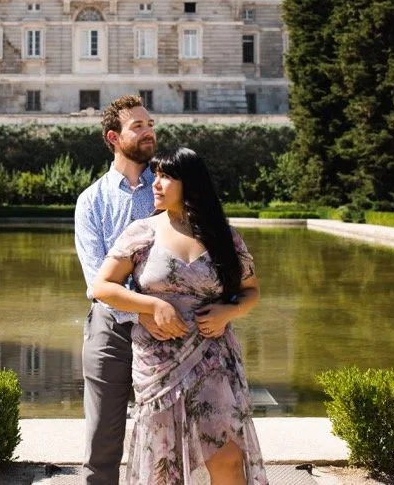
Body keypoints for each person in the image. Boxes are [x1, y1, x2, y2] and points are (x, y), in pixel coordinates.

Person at [92, 147, 267, 485]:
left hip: (213, 359)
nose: (155, 184)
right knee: (164, 466)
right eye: (154, 175)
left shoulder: (223, 237)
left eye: (165, 176)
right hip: (159, 364)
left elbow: (251, 291)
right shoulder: (142, 231)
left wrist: (228, 311)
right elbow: (103, 286)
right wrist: (151, 305)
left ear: (191, 183)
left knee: (228, 458)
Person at [75, 94, 163, 485]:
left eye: (150, 124)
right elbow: (98, 281)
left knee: (166, 435)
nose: (149, 132)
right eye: (138, 126)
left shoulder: (167, 190)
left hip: (165, 327)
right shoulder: (90, 201)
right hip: (111, 329)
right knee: (102, 443)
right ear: (114, 137)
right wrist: (145, 310)